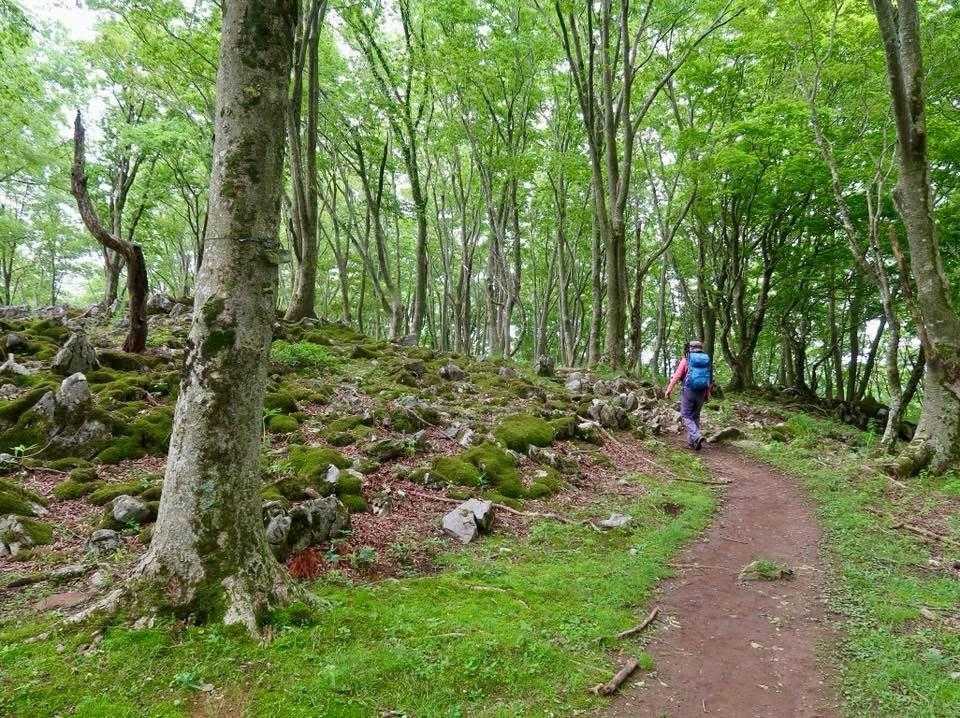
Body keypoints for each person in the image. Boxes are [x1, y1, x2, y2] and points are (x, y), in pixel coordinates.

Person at [664, 339, 713, 450]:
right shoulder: (706, 361)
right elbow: (709, 379)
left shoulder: (686, 360)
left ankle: (696, 436)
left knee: (686, 415)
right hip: (702, 391)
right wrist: (707, 394)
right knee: (695, 416)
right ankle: (693, 442)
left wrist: (669, 389)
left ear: (690, 348)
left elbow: (677, 376)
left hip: (689, 391)